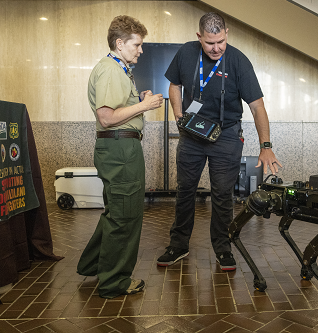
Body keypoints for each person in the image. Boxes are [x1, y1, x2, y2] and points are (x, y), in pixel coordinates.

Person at [157, 12, 281, 271]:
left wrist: (266, 146)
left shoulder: (238, 61)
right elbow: (174, 85)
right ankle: (178, 245)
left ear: (227, 33)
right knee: (185, 191)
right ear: (199, 37)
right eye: (210, 43)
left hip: (226, 136)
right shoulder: (187, 53)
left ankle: (223, 247)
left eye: (221, 41)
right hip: (192, 133)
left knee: (223, 195)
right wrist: (180, 118)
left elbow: (257, 107)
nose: (216, 48)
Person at [77, 15, 163, 298]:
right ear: (120, 43)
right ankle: (114, 282)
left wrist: (138, 102)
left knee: (118, 211)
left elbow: (115, 109)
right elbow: (107, 117)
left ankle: (95, 264)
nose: (141, 50)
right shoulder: (112, 70)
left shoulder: (118, 68)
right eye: (137, 44)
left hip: (120, 148)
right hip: (120, 150)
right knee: (125, 216)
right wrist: (145, 106)